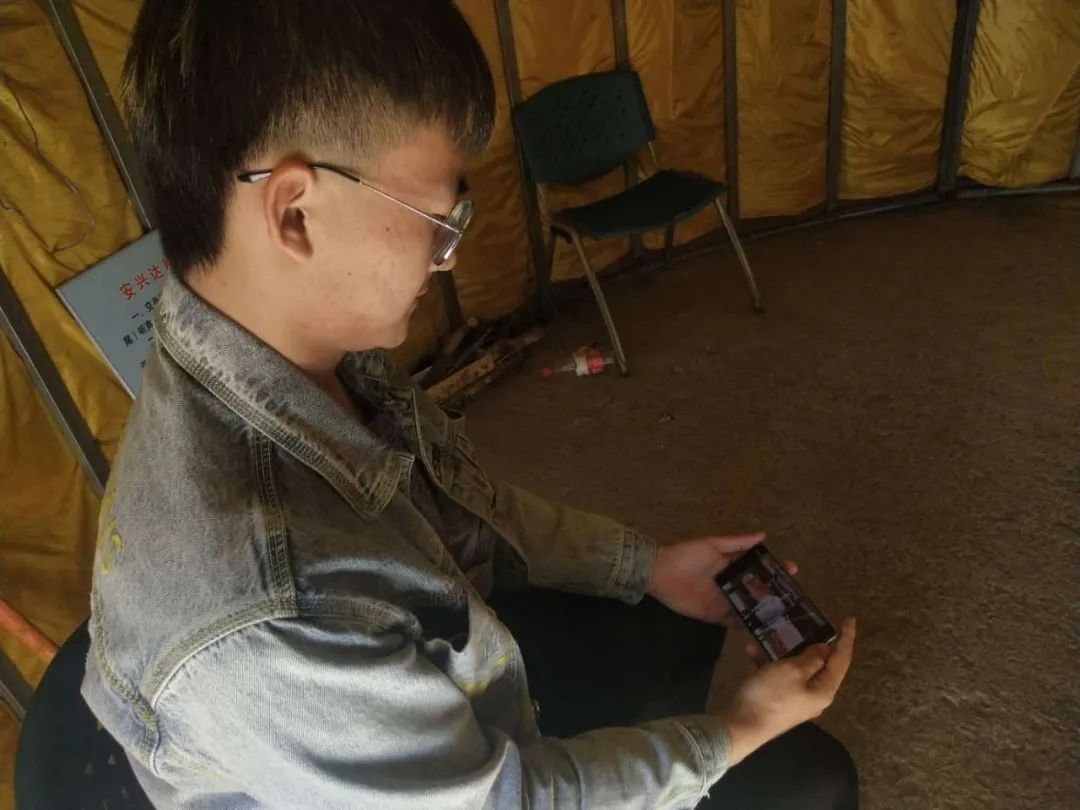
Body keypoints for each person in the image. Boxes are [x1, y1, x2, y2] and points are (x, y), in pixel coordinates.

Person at [81, 2, 858, 808]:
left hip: (413, 703)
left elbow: (453, 511)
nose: (446, 259)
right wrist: (740, 731)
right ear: (295, 213)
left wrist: (646, 566)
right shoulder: (276, 610)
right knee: (813, 783)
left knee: (666, 626)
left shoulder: (292, 346)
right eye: (436, 221)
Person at [743, 573, 805, 657]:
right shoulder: (772, 601)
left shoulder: (776, 603)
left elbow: (772, 617)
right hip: (767, 620)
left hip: (770, 621)